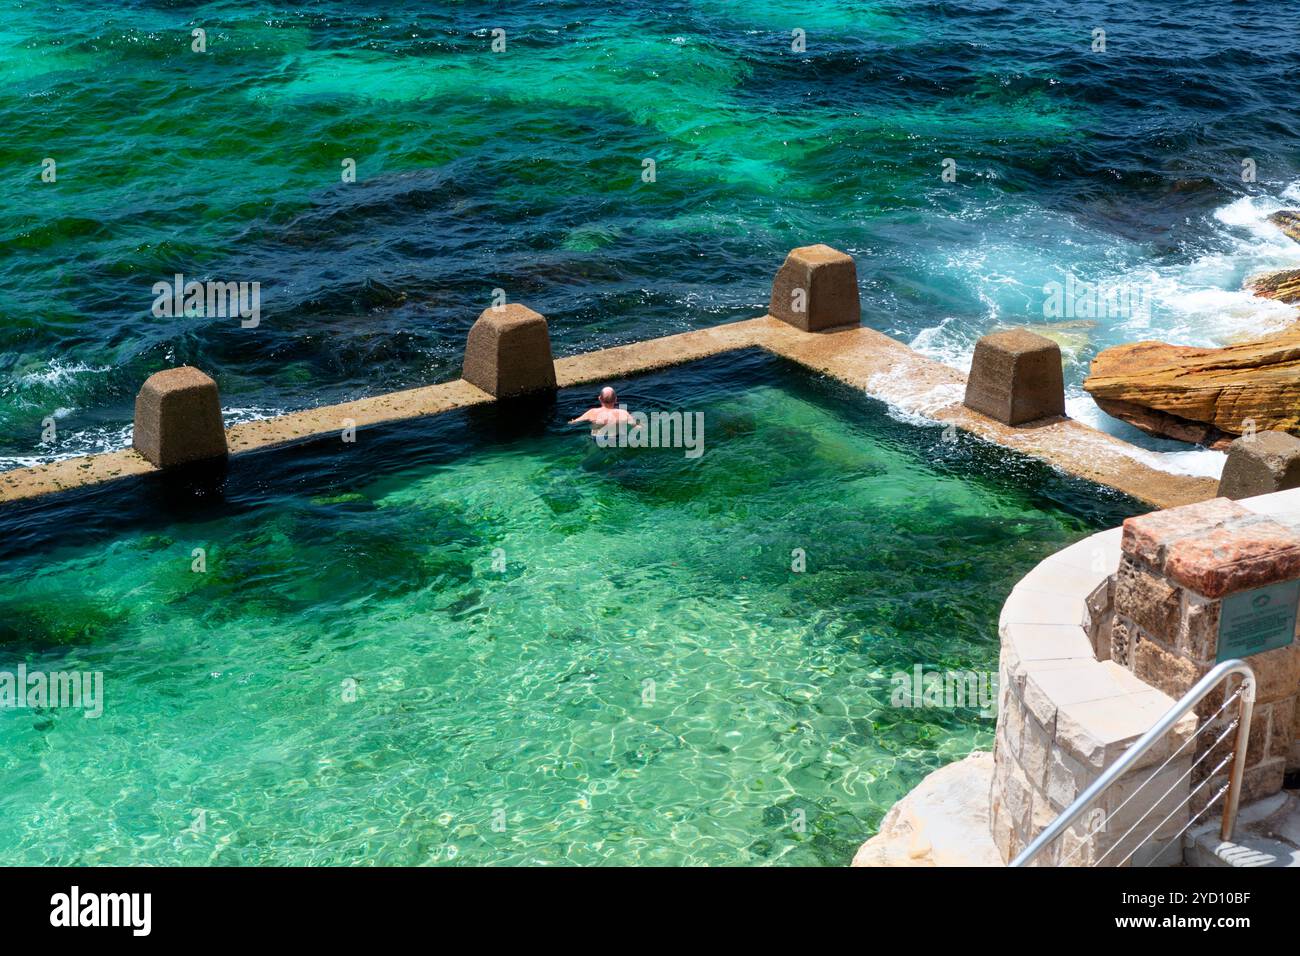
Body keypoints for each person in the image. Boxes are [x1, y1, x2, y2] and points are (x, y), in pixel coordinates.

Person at [568, 386, 635, 435]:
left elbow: (573, 422)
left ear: (599, 399)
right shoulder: (623, 413)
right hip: (616, 439)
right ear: (615, 399)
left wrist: (571, 421)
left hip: (596, 440)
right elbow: (637, 426)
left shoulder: (592, 412)